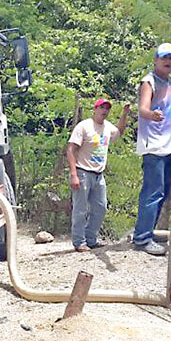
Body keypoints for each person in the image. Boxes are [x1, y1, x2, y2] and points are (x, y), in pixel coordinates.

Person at [132, 43, 171, 256]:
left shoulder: (169, 84)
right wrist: (152, 115)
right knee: (153, 191)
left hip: (169, 144)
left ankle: (147, 231)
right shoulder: (149, 82)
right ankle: (141, 238)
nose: (168, 61)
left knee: (164, 191)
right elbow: (142, 109)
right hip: (154, 145)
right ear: (155, 59)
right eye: (164, 57)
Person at [66, 98, 130, 251]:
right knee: (80, 209)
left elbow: (119, 132)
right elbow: (70, 149)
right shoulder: (84, 126)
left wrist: (124, 115)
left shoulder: (107, 127)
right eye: (102, 107)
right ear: (95, 109)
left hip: (98, 174)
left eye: (107, 108)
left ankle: (91, 238)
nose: (104, 111)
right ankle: (79, 241)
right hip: (83, 171)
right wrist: (73, 174)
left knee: (101, 207)